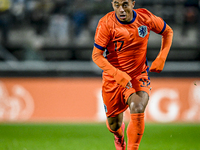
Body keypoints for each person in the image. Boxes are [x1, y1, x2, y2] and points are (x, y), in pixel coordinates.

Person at [92, 0, 173, 150]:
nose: (121, 9)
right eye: (117, 5)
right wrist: (117, 74)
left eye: (125, 4)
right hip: (113, 79)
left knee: (138, 106)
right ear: (112, 4)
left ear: (132, 3)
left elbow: (167, 31)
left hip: (138, 75)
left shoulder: (145, 18)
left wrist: (162, 57)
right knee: (114, 125)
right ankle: (119, 137)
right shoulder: (106, 23)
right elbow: (96, 55)